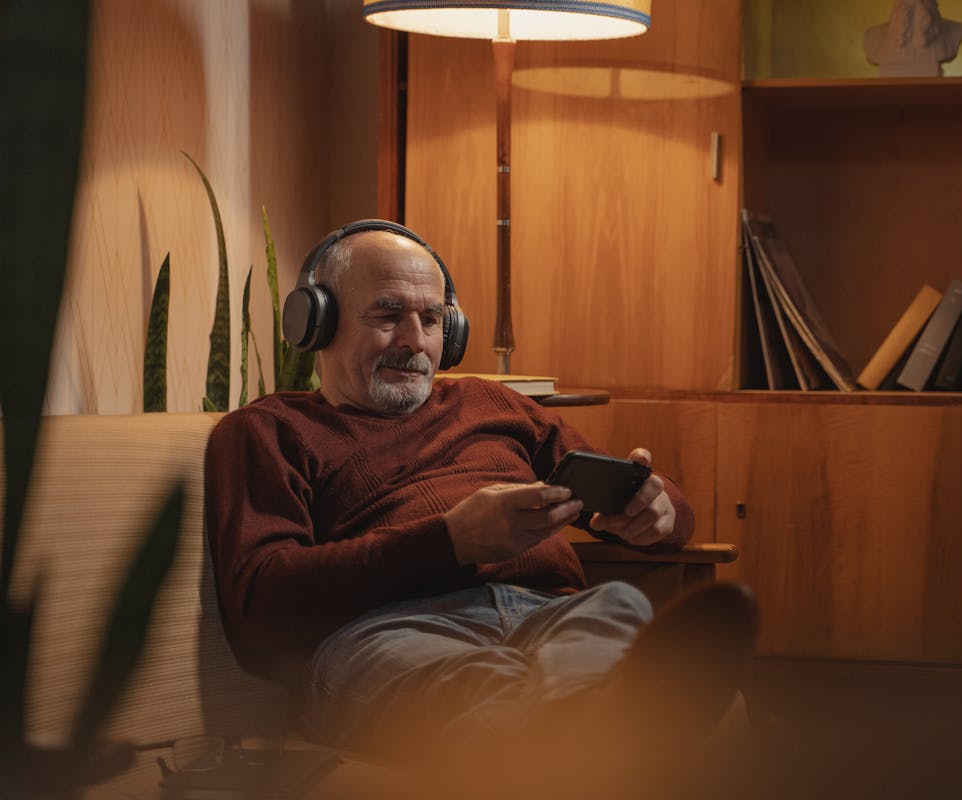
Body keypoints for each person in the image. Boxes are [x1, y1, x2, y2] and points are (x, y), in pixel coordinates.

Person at [203, 220, 757, 792]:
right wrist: (449, 542)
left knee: (613, 606)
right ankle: (612, 738)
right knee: (479, 682)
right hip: (389, 631)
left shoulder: (492, 401)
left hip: (552, 613)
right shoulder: (269, 430)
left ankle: (599, 725)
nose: (415, 341)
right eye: (389, 315)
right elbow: (260, 601)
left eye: (434, 319)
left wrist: (658, 510)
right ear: (316, 322)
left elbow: (623, 485)